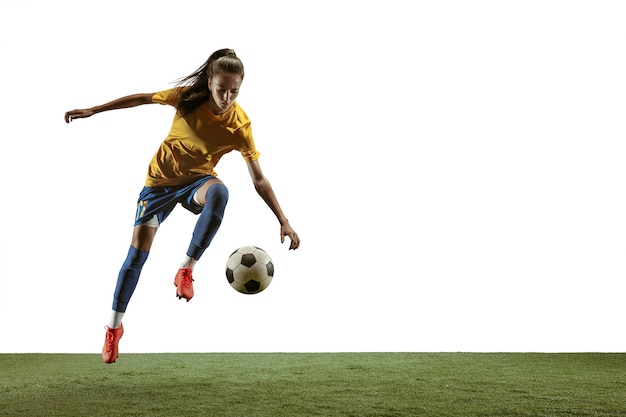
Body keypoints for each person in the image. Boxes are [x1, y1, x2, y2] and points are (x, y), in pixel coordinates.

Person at [64, 48, 300, 364]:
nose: (227, 96)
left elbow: (258, 179)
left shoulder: (240, 125)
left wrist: (283, 219)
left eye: (235, 90)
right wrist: (94, 110)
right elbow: (142, 99)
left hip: (196, 184)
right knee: (136, 256)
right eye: (221, 89)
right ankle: (113, 329)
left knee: (220, 193)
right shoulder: (187, 98)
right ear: (209, 81)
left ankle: (186, 269)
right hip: (159, 185)